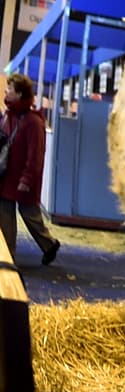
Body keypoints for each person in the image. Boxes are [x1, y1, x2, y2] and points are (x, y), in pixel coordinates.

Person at [1, 73, 59, 265]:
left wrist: (26, 179)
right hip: (7, 176)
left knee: (30, 215)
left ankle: (49, 244)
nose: (5, 91)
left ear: (19, 94)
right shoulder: (8, 115)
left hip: (22, 179)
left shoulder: (33, 122)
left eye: (9, 89)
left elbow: (36, 155)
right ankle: (8, 255)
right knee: (5, 215)